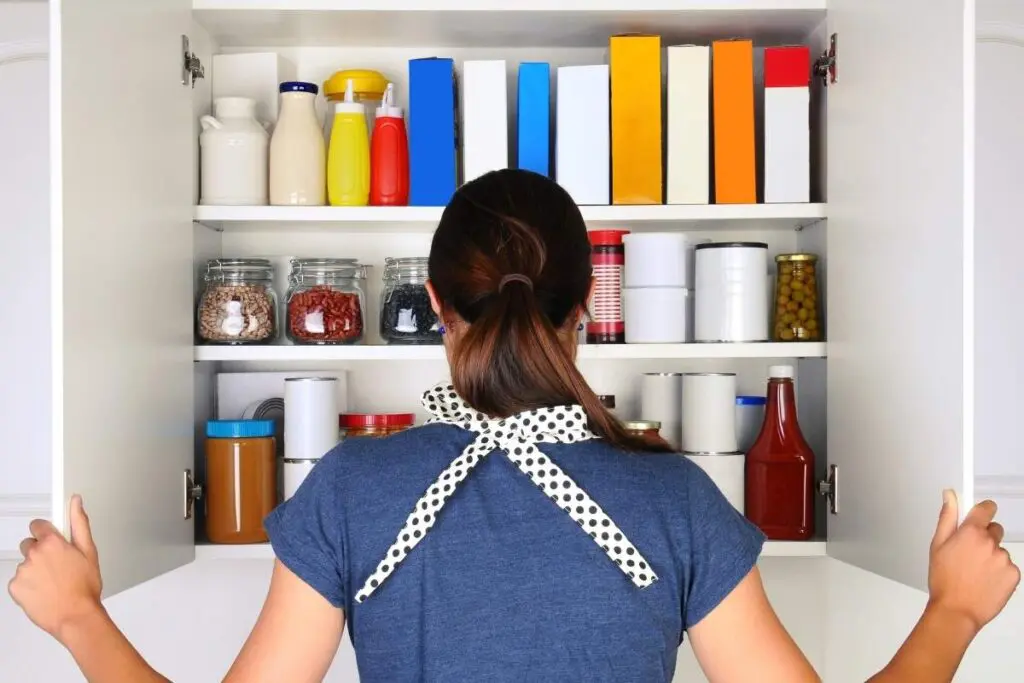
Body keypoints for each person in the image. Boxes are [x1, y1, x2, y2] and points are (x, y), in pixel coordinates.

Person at [7, 169, 1021, 682]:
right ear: (585, 312)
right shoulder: (672, 498)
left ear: (438, 310)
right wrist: (955, 612)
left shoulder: (355, 486)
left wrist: (79, 617)